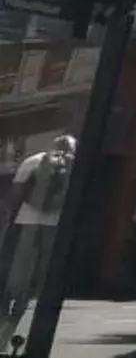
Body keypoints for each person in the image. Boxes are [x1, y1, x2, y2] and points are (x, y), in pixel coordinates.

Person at [0, 136, 74, 357]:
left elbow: (16, 193)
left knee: (18, 266)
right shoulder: (74, 165)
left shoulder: (33, 161)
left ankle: (12, 303)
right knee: (44, 269)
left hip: (27, 221)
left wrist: (9, 219)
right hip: (54, 224)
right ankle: (31, 302)